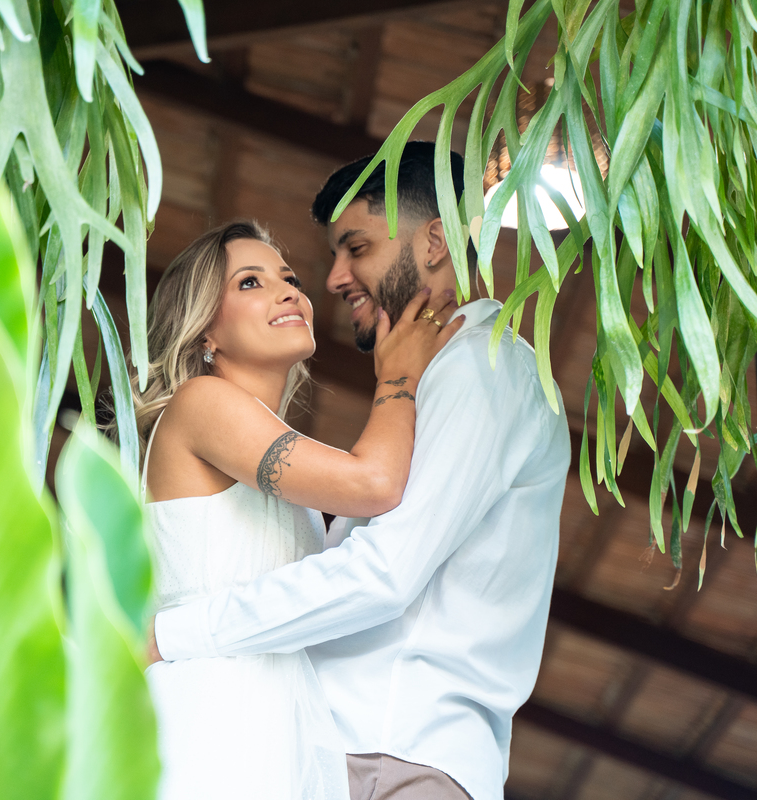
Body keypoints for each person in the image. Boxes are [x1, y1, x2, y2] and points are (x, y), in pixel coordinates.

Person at [149, 142, 571, 800]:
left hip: (391, 753)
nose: (330, 279)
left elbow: (383, 573)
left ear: (435, 241)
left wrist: (170, 635)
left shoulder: (480, 369)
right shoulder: (407, 395)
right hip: (317, 751)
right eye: (254, 281)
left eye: (357, 248)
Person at [136, 219, 463, 800]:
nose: (289, 291)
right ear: (204, 331)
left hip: (277, 725)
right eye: (250, 283)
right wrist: (399, 376)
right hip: (208, 714)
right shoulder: (202, 403)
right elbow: (375, 481)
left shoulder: (273, 451)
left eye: (287, 278)